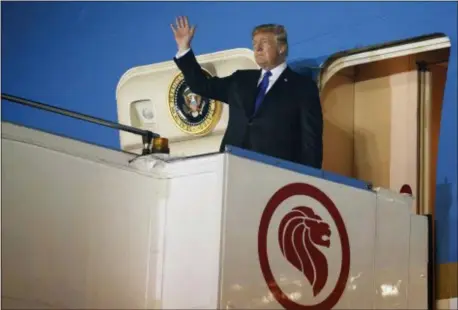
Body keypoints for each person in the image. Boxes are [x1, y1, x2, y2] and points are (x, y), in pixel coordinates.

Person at [170, 16, 323, 169]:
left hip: (275, 175)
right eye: (254, 44)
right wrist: (184, 49)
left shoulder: (303, 87)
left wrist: (307, 181)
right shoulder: (240, 80)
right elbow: (201, 85)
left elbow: (311, 143)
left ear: (281, 48)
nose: (257, 49)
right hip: (231, 169)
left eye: (264, 43)